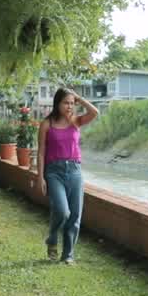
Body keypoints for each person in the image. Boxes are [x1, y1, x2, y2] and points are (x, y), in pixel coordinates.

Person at [35, 88, 98, 264]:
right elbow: (41, 153)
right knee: (62, 211)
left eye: (72, 103)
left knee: (75, 215)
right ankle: (52, 238)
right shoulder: (47, 124)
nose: (70, 106)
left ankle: (67, 255)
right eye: (66, 102)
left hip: (75, 171)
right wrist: (40, 177)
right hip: (54, 172)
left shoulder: (76, 121)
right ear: (57, 103)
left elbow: (95, 112)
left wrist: (79, 98)